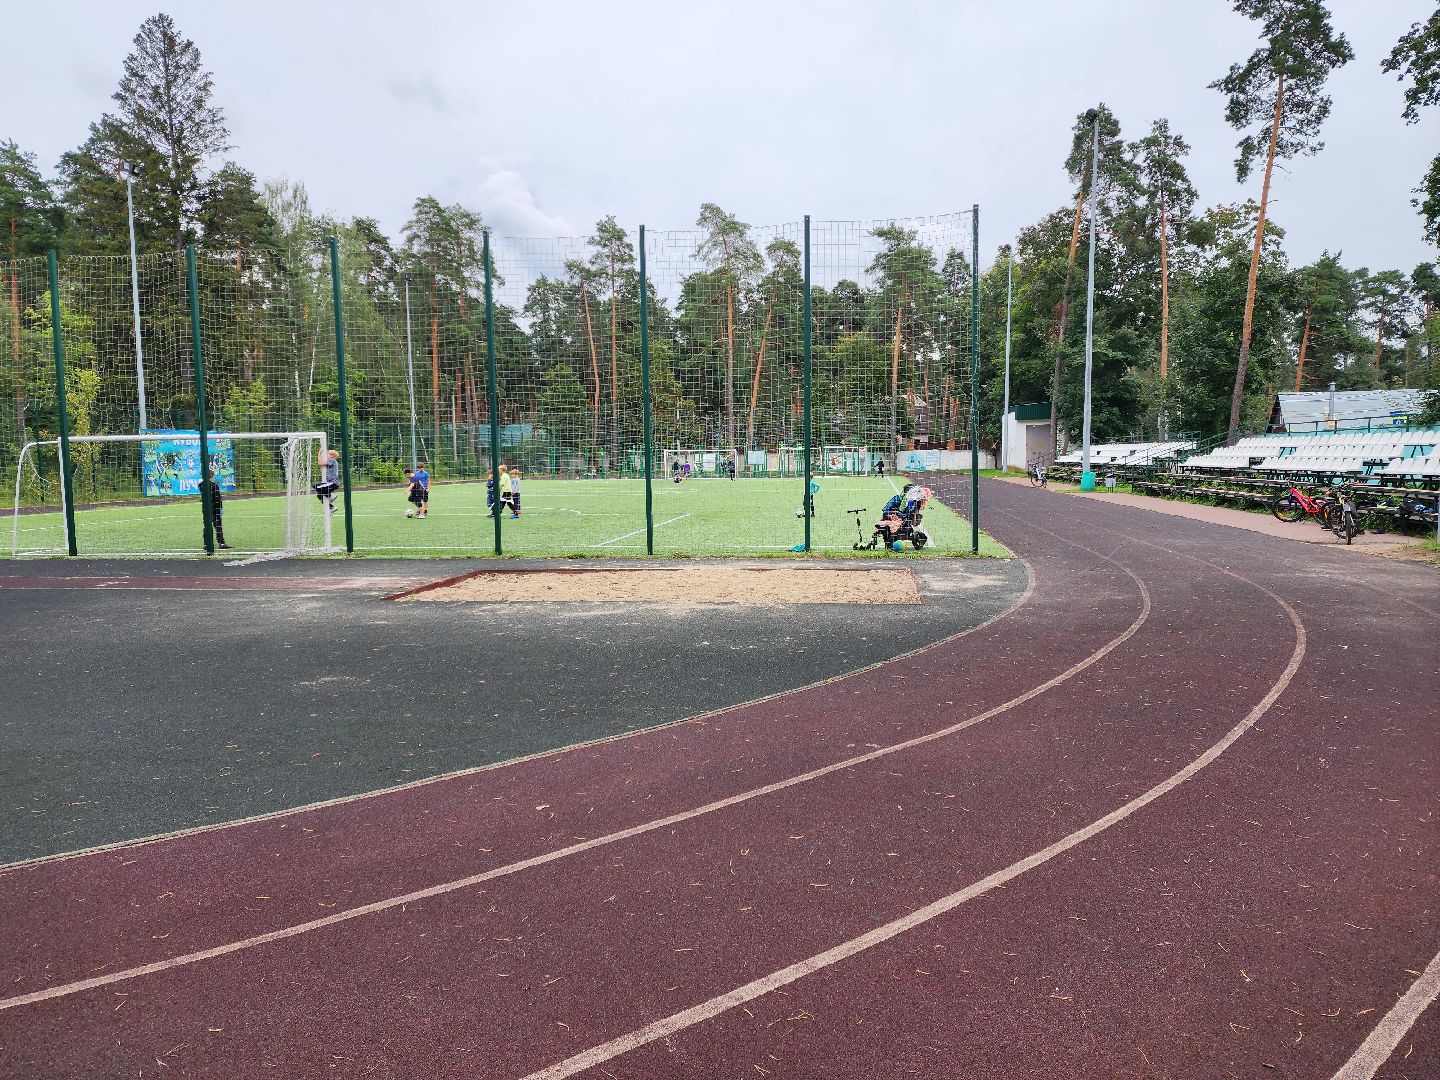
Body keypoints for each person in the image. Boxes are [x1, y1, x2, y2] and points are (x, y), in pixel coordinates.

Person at [204, 477, 228, 549]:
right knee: (218, 526)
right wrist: (220, 507)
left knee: (207, 527)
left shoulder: (201, 485)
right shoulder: (214, 485)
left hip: (206, 509)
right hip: (215, 508)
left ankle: (206, 544)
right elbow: (218, 498)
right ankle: (221, 543)